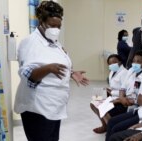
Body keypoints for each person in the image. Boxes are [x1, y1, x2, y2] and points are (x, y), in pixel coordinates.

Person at [14, 1, 89, 141]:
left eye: (58, 26)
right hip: (37, 108)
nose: (56, 29)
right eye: (52, 25)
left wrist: (71, 73)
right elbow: (27, 75)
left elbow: (57, 64)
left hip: (54, 106)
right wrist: (48, 68)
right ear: (41, 22)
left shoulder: (54, 42)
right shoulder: (30, 42)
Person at [90, 54, 128, 134]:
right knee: (93, 102)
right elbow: (113, 86)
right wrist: (108, 89)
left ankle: (110, 127)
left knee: (100, 105)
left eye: (114, 62)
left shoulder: (124, 73)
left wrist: (111, 92)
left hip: (120, 99)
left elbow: (126, 91)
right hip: (113, 96)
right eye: (110, 63)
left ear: (120, 62)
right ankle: (104, 125)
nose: (112, 65)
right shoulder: (112, 72)